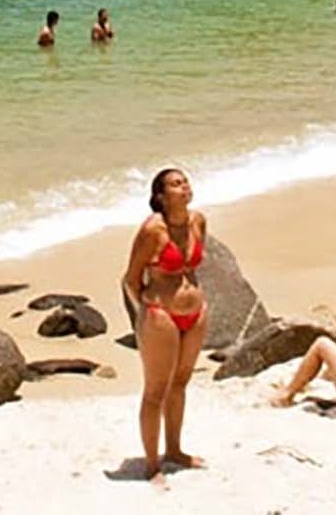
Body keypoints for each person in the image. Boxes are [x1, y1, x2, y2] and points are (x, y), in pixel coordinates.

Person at [122, 168, 208, 484]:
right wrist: (144, 314)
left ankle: (174, 450)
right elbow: (131, 279)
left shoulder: (198, 221)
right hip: (160, 315)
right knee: (155, 391)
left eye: (185, 180)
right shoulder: (151, 231)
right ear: (160, 196)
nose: (184, 186)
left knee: (181, 383)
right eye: (175, 184)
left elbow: (193, 269)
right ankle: (151, 464)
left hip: (196, 313)